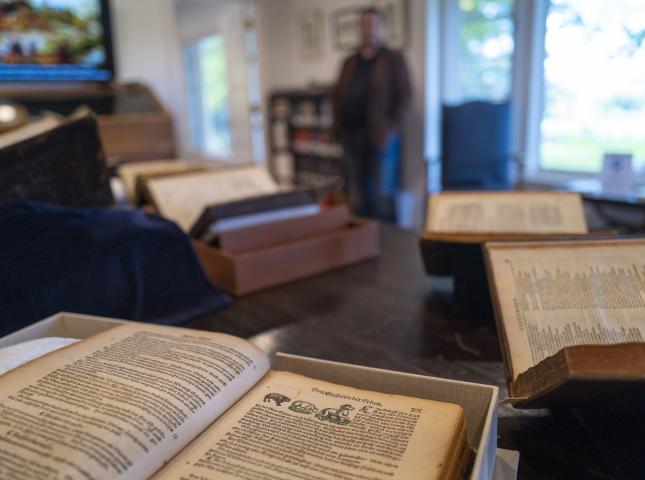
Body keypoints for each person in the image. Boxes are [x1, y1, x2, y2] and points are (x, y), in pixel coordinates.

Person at [332, 7, 411, 222]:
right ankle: (363, 243)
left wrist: (390, 129)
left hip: (380, 138)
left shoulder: (393, 60)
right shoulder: (349, 62)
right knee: (357, 195)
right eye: (364, 24)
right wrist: (338, 129)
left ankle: (388, 247)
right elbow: (337, 96)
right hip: (351, 137)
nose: (368, 29)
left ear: (380, 28)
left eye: (372, 24)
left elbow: (405, 99)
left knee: (382, 195)